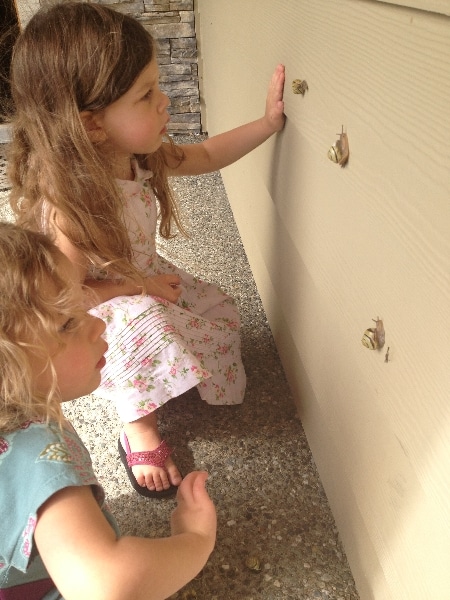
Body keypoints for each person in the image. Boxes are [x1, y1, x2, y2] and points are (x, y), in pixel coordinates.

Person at [7, 1, 286, 498]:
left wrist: (266, 124)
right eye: (146, 95)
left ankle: (159, 360)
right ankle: (138, 429)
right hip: (97, 307)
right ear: (92, 124)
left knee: (221, 313)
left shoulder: (133, 153)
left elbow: (204, 154)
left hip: (142, 275)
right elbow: (67, 299)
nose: (165, 101)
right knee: (147, 324)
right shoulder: (69, 205)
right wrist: (139, 288)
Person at [0, 221, 216, 600]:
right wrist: (194, 538)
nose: (98, 323)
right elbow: (108, 585)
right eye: (68, 323)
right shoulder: (38, 452)